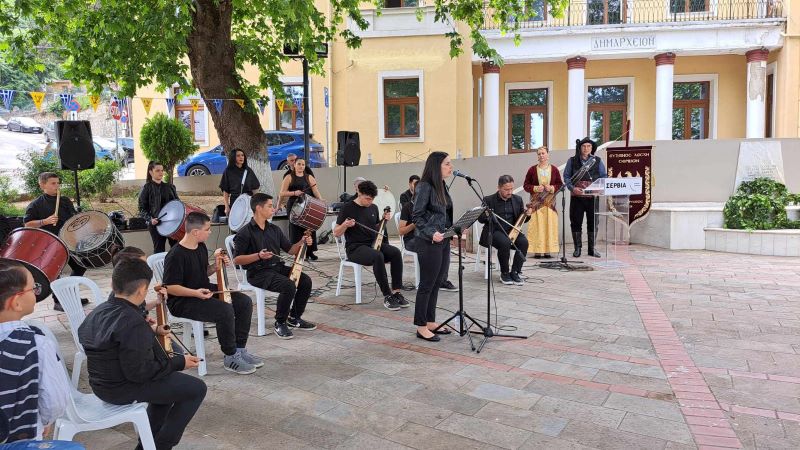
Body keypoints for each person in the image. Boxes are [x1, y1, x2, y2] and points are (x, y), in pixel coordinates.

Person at [78, 258, 206, 449]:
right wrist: (180, 362)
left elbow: (106, 341)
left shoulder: (99, 311)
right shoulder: (132, 321)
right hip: (121, 388)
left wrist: (150, 332)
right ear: (141, 290)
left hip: (100, 384)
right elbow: (140, 373)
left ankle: (147, 444)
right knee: (196, 389)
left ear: (113, 284)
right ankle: (162, 445)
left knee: (168, 388)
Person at [162, 212, 259, 375]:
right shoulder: (175, 255)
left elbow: (203, 272)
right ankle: (230, 356)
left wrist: (216, 266)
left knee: (244, 302)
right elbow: (170, 287)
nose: (210, 232)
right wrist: (195, 293)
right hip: (181, 301)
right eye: (207, 229)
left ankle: (239, 349)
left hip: (202, 290)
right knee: (224, 310)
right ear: (195, 232)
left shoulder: (200, 246)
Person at [0, 259, 69, 442]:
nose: (36, 292)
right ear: (16, 302)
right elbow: (54, 402)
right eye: (33, 288)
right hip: (21, 438)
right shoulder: (37, 344)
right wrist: (45, 420)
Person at [233, 193, 315, 339]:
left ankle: (294, 317)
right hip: (257, 273)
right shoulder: (245, 232)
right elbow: (237, 260)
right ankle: (280, 323)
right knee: (288, 285)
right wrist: (258, 256)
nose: (274, 209)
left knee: (305, 281)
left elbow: (291, 250)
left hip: (276, 268)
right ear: (259, 208)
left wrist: (303, 241)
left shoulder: (274, 229)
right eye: (270, 206)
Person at [334, 181, 407, 310]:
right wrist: (345, 225)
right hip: (355, 248)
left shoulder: (373, 207)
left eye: (372, 199)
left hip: (372, 244)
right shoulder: (347, 208)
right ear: (359, 193)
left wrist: (383, 220)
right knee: (377, 256)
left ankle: (396, 292)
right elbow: (336, 232)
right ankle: (387, 295)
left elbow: (375, 228)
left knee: (395, 252)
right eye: (367, 198)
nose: (370, 201)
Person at [23, 172, 88, 311]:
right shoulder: (36, 204)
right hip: (50, 244)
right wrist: (44, 221)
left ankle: (71, 296)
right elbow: (27, 224)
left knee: (80, 266)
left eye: (58, 183)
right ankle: (58, 301)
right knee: (55, 273)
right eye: (53, 183)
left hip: (68, 241)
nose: (57, 186)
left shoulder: (65, 200)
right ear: (42, 185)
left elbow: (73, 218)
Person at [411, 152, 454, 342]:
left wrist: (454, 230)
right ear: (436, 166)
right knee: (427, 284)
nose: (451, 167)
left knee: (437, 282)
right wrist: (431, 233)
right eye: (447, 164)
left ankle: (430, 321)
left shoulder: (442, 185)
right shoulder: (424, 186)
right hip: (428, 241)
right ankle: (421, 327)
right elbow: (417, 216)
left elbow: (444, 213)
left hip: (443, 239)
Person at [479, 175, 530, 286]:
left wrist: (527, 215)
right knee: (505, 242)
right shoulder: (488, 200)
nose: (510, 192)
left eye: (511, 189)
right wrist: (488, 215)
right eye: (506, 189)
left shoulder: (517, 200)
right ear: (499, 188)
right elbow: (481, 219)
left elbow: (522, 220)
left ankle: (515, 272)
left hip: (512, 231)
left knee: (524, 242)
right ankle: (505, 273)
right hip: (494, 231)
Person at [399, 196, 457, 292]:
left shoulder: (430, 207)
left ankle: (441, 280)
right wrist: (415, 224)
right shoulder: (407, 207)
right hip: (411, 240)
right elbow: (401, 231)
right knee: (431, 244)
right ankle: (428, 282)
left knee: (444, 242)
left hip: (428, 237)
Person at [563, 137, 607, 258]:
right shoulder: (572, 161)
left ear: (592, 148)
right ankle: (577, 248)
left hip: (593, 197)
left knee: (593, 222)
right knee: (576, 222)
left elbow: (604, 176)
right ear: (580, 148)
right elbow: (566, 177)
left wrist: (597, 188)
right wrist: (573, 189)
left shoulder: (597, 161)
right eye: (583, 146)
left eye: (588, 146)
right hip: (577, 197)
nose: (586, 148)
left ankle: (592, 249)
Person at [279, 157, 324, 261]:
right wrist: (294, 193)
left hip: (308, 204)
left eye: (303, 164)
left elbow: (315, 191)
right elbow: (282, 193)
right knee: (295, 229)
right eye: (299, 164)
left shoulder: (309, 177)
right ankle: (298, 252)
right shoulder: (289, 177)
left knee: (309, 227)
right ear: (294, 165)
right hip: (294, 205)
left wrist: (321, 200)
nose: (301, 166)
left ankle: (310, 252)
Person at [523, 146, 563, 258]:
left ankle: (547, 251)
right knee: (537, 226)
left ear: (548, 155)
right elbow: (526, 185)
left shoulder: (554, 169)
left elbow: (560, 185)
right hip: (536, 204)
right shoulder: (532, 170)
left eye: (543, 153)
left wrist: (552, 188)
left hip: (550, 204)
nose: (541, 155)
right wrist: (535, 188)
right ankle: (537, 250)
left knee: (549, 225)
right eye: (539, 154)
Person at [138, 161, 180, 254]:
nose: (161, 173)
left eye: (162, 170)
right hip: (156, 225)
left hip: (171, 223)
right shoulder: (146, 188)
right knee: (159, 250)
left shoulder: (170, 187)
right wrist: (150, 219)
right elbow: (141, 208)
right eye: (157, 170)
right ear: (151, 172)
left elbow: (178, 204)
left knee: (176, 248)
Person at [220, 148, 260, 217]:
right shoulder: (228, 171)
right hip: (235, 202)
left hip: (248, 202)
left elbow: (255, 188)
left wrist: (257, 203)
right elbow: (225, 190)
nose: (241, 157)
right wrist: (226, 206)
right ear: (233, 158)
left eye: (242, 155)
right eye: (238, 156)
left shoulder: (248, 170)